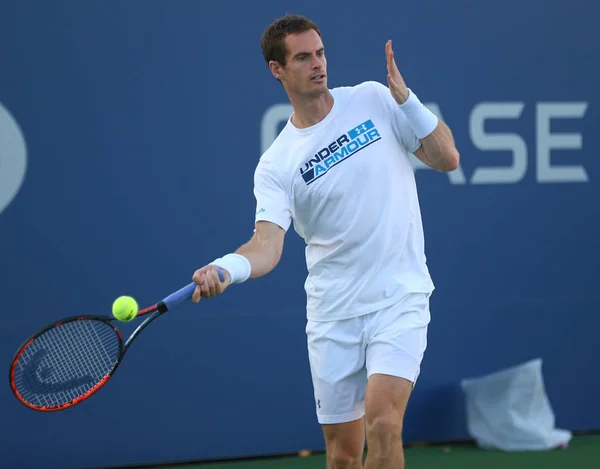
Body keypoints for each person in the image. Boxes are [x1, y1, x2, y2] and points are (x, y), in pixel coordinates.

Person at [191, 14, 459, 469]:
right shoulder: (276, 164)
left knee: (384, 425)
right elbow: (266, 246)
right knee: (342, 457)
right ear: (277, 69)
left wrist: (407, 100)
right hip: (333, 315)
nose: (317, 64)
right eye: (302, 57)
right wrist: (226, 268)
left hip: (399, 296)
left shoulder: (376, 99)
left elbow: (446, 158)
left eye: (320, 53)